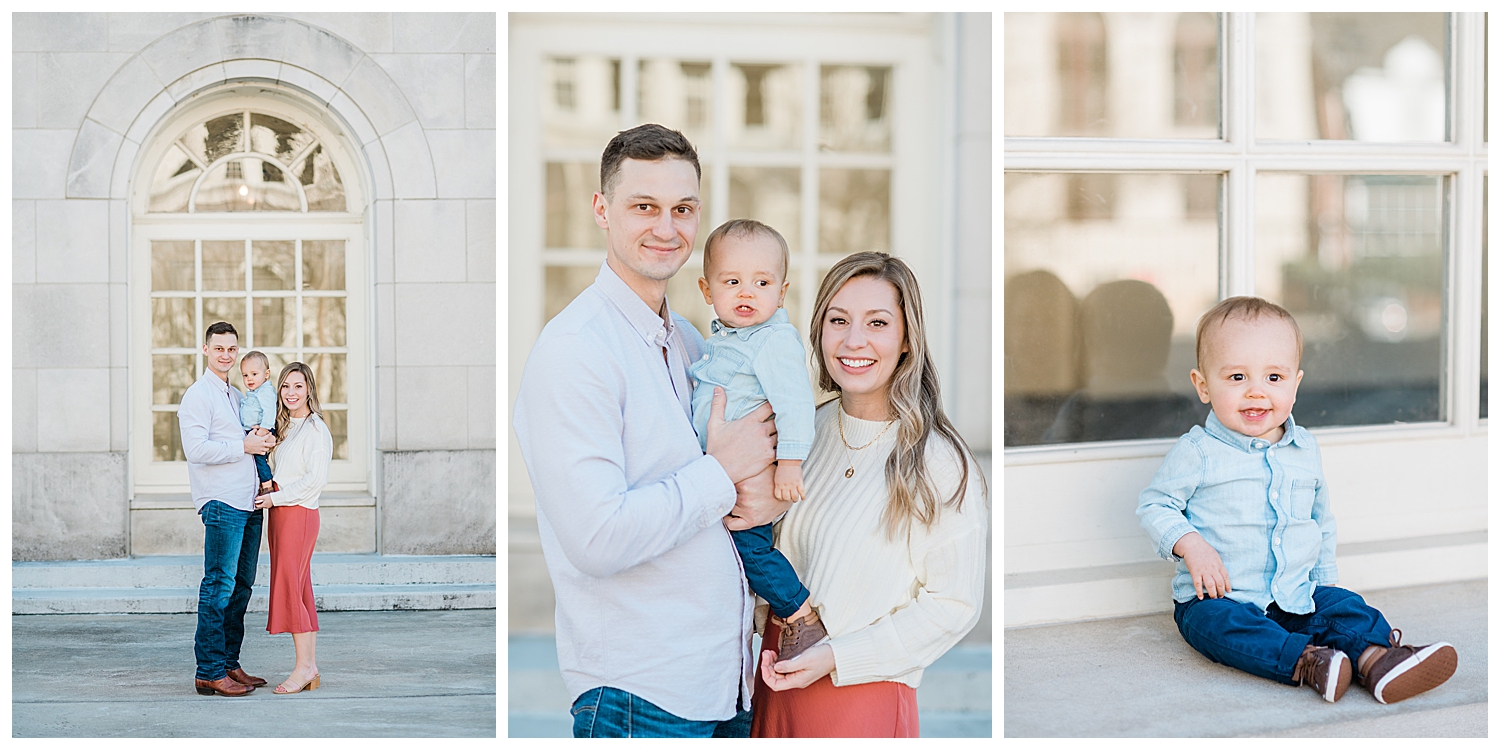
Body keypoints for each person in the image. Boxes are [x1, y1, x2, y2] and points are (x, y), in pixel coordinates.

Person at [512, 123, 785, 738]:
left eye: (683, 209)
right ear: (602, 210)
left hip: (725, 688)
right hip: (640, 700)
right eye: (645, 207)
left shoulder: (691, 341)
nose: (668, 228)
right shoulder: (575, 350)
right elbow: (598, 537)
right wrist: (721, 472)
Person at [1137, 296, 1458, 704]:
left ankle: (1377, 660)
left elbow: (1319, 520)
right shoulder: (1198, 452)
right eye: (1237, 378)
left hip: (1294, 593)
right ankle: (1308, 662)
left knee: (1345, 607)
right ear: (1203, 385)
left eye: (1274, 378)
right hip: (1221, 598)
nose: (1256, 392)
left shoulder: (1304, 448)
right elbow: (1155, 504)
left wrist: (1323, 584)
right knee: (1220, 628)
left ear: (1295, 383)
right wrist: (1192, 545)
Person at [752, 252, 989, 738]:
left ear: (906, 340)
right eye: (838, 320)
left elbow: (954, 605)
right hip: (773, 683)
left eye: (877, 323)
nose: (853, 340)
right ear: (819, 331)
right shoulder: (800, 435)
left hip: (861, 700)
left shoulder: (937, 461)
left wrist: (837, 657)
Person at [690, 218, 823, 662]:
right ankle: (761, 614)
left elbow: (796, 405)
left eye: (761, 282)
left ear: (782, 293)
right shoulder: (724, 340)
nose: (747, 292)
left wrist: (789, 463)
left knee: (750, 546)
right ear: (708, 291)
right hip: (721, 475)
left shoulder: (773, 341)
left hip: (751, 476)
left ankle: (798, 610)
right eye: (732, 281)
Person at [179, 321, 276, 697]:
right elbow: (196, 450)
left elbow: (251, 440)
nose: (226, 354)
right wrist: (244, 447)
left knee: (241, 587)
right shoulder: (197, 396)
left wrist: (261, 443)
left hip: (249, 502)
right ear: (206, 350)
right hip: (222, 504)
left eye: (231, 349)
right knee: (218, 588)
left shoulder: (236, 395)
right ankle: (208, 671)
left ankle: (229, 664)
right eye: (218, 347)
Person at [253, 362, 333, 695]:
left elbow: (314, 482)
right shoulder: (285, 428)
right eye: (285, 386)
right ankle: (310, 666)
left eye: (298, 386)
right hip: (283, 512)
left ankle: (302, 668)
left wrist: (276, 498)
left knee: (291, 588)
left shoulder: (315, 429)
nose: (291, 392)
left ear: (309, 390)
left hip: (298, 513)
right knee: (300, 590)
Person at [239, 351, 279, 495]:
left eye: (254, 374)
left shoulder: (265, 391)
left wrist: (263, 430)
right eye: (245, 375)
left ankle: (267, 485)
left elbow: (269, 411)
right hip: (254, 431)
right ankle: (260, 484)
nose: (249, 378)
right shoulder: (255, 391)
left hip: (261, 430)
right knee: (255, 460)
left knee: (259, 459)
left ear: (266, 374)